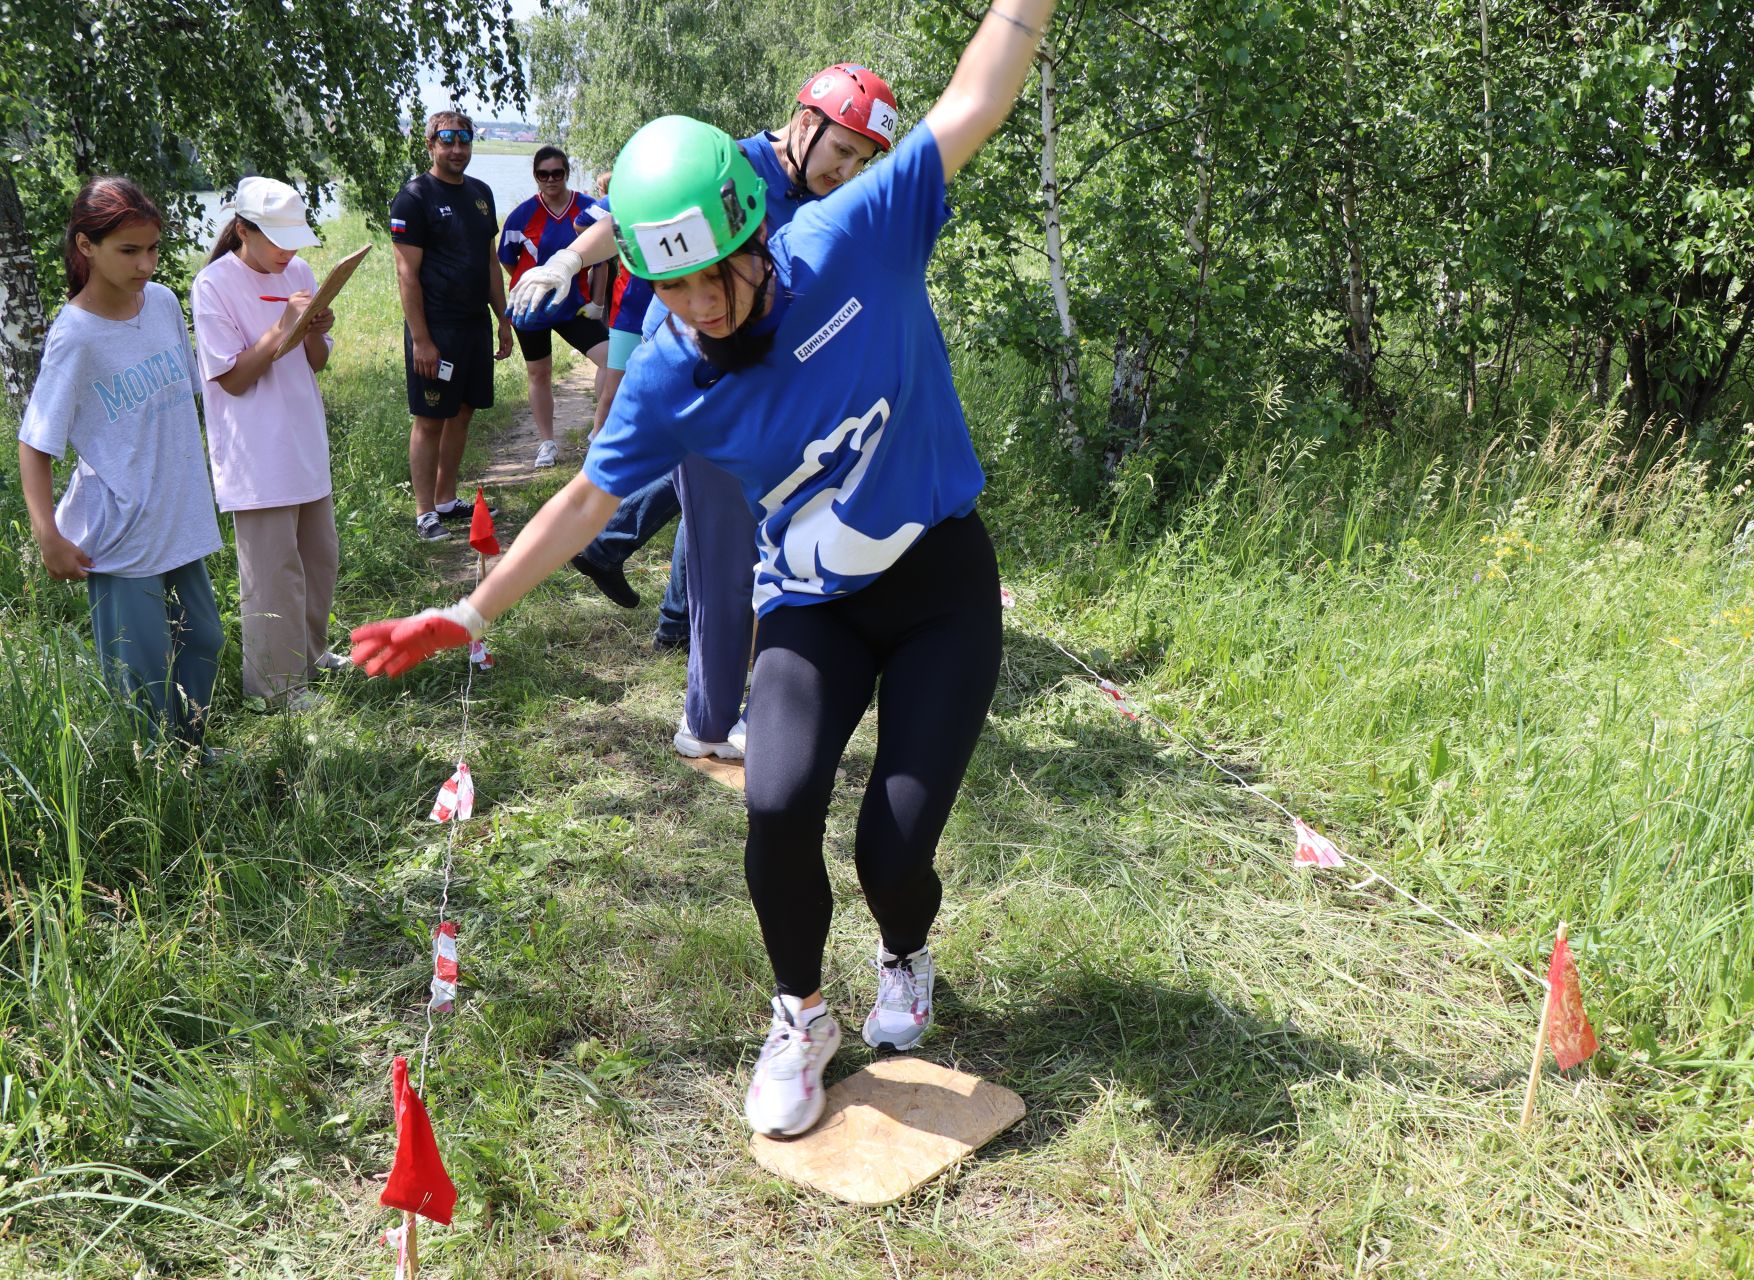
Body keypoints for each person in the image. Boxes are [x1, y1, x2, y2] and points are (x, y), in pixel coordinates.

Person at [353, 5, 1054, 1138]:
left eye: (714, 281)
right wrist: (470, 606)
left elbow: (973, 101)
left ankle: (907, 951)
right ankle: (801, 1013)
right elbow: (587, 498)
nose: (697, 310)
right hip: (812, 608)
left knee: (890, 844)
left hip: (939, 586)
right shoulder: (677, 370)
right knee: (774, 803)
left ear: (754, 235)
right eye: (670, 290)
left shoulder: (860, 237)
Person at [512, 63, 901, 760]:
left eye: (862, 161)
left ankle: (766, 704)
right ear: (806, 122)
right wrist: (567, 263)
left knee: (785, 556)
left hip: (784, 408)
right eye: (842, 151)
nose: (847, 171)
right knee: (724, 565)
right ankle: (710, 723)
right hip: (702, 387)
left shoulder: (829, 199)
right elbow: (634, 218)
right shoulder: (733, 166)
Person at [17, 177, 225, 748]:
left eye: (153, 248)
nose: (146, 264)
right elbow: (34, 445)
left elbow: (186, 403)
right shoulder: (76, 338)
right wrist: (48, 536)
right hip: (123, 532)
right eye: (129, 251)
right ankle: (154, 782)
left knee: (204, 638)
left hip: (178, 514)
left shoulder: (160, 304)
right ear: (86, 247)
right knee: (141, 670)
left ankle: (191, 751)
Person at [191, 177, 346, 712]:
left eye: (294, 238)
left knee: (318, 559)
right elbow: (231, 379)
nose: (290, 251)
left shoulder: (299, 271)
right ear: (242, 230)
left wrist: (313, 331)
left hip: (303, 439)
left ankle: (310, 656)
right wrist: (283, 326)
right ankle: (275, 689)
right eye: (277, 238)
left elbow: (317, 362)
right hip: (255, 455)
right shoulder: (213, 285)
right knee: (272, 575)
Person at [390, 110, 514, 542]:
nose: (457, 148)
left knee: (463, 411)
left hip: (475, 324)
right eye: (447, 140)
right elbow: (407, 274)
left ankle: (446, 499)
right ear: (430, 145)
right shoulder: (414, 197)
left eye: (464, 140)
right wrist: (421, 340)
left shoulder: (481, 193)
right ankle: (425, 513)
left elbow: (489, 261)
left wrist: (503, 318)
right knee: (430, 418)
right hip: (436, 328)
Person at [497, 145, 610, 468]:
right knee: (539, 373)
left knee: (612, 360)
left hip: (574, 306)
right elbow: (508, 262)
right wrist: (533, 286)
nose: (550, 180)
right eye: (543, 174)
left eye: (557, 173)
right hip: (531, 309)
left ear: (566, 173)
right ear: (535, 176)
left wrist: (596, 303)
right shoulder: (522, 215)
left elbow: (602, 261)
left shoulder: (589, 208)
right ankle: (547, 443)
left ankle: (599, 432)